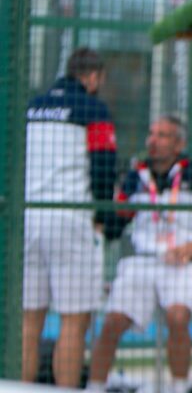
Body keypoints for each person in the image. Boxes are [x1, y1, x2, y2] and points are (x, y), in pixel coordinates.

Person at [88, 116, 192, 393]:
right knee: (112, 322)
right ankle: (95, 387)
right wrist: (97, 219)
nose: (153, 141)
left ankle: (178, 387)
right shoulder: (136, 177)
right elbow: (116, 224)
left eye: (163, 135)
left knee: (178, 317)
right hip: (142, 262)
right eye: (151, 134)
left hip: (183, 262)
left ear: (179, 143)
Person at [22, 48, 117, 387]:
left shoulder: (31, 107)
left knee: (28, 322)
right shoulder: (94, 109)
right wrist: (104, 216)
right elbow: (104, 167)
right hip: (71, 219)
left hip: (27, 216)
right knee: (74, 321)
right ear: (92, 77)